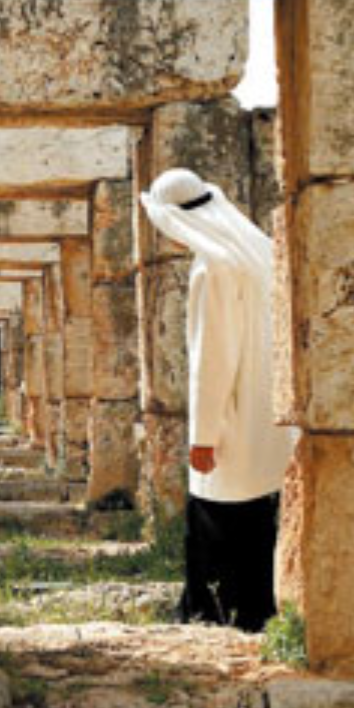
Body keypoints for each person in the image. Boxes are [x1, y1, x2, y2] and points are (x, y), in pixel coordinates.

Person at [139, 168, 296, 632]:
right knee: (261, 517)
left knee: (219, 513)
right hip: (272, 413)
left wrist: (204, 435)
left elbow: (213, 358)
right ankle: (262, 610)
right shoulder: (258, 251)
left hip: (234, 413)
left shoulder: (213, 267)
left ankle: (215, 612)